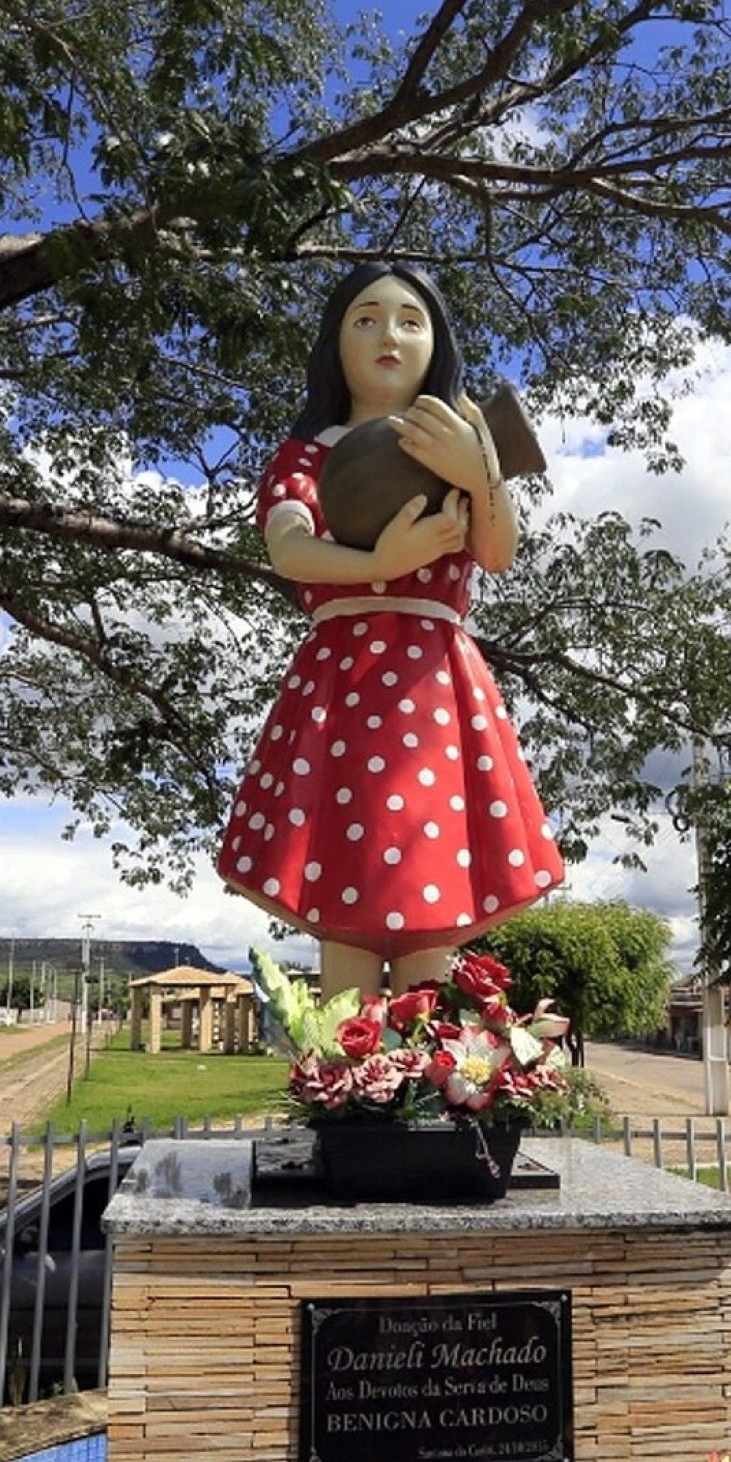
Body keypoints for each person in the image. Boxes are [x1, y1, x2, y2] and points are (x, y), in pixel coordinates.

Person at [216, 262, 565, 999]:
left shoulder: (458, 437)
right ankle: (346, 1079)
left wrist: (482, 474)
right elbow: (288, 545)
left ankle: (427, 1075)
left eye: (411, 321)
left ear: (435, 345)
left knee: (429, 890)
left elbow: (498, 553)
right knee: (342, 900)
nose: (389, 335)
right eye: (366, 318)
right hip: (342, 680)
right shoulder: (306, 454)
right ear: (334, 342)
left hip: (433, 683)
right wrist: (380, 560)